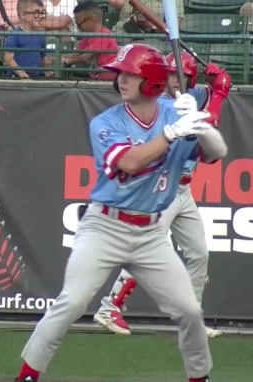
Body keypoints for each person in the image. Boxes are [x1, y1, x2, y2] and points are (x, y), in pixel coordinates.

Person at [14, 43, 228, 382]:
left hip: (152, 234)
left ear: (153, 82)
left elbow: (217, 154)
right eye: (120, 74)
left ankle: (199, 378)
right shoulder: (105, 122)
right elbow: (129, 161)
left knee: (189, 311)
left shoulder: (176, 114)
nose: (121, 79)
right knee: (71, 303)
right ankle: (27, 375)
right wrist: (171, 133)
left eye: (130, 74)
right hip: (105, 226)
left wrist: (202, 125)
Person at [92, 51, 231, 338]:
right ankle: (109, 308)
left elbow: (205, 110)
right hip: (160, 189)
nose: (173, 80)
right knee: (144, 251)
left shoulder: (188, 95)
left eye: (179, 76)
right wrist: (219, 94)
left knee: (199, 254)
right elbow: (209, 120)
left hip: (184, 191)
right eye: (167, 75)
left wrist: (218, 80)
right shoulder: (161, 104)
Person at [61, 1, 118, 81]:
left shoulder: (103, 34)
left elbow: (87, 56)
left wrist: (69, 61)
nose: (78, 26)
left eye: (79, 22)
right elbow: (77, 53)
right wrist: (60, 58)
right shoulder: (89, 37)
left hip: (109, 76)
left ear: (92, 19)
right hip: (97, 76)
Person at [3, 0, 53, 78]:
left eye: (42, 13)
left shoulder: (40, 36)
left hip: (36, 78)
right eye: (36, 13)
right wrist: (22, 74)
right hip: (17, 78)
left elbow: (40, 61)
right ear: (23, 15)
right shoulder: (15, 35)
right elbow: (8, 58)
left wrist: (45, 63)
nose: (40, 16)